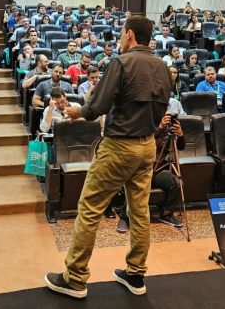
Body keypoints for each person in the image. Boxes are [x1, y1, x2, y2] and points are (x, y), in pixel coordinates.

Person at [46, 16, 171, 299]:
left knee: (90, 208)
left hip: (119, 147)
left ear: (129, 34)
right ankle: (136, 274)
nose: (119, 39)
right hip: (147, 145)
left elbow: (96, 106)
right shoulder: (163, 67)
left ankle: (75, 278)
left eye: (120, 35)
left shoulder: (122, 62)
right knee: (140, 211)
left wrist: (78, 112)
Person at [114, 113, 185, 234]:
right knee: (135, 184)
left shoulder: (169, 130)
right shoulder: (144, 124)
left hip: (158, 170)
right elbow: (144, 142)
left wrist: (180, 133)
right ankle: (124, 217)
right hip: (140, 169)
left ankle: (166, 214)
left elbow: (181, 147)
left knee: (177, 182)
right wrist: (160, 127)